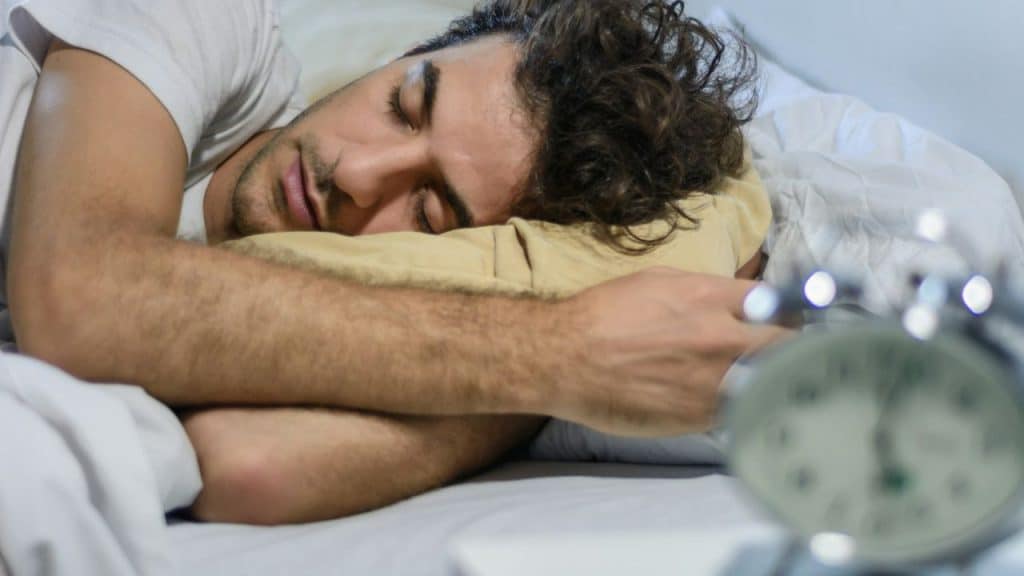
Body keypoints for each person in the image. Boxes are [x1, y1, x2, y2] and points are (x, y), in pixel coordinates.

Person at [1, 0, 786, 525]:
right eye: (403, 106)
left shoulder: (332, 331)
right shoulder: (205, 17)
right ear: (404, 56)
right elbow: (80, 290)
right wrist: (563, 352)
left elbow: (250, 466)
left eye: (430, 208)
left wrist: (551, 384)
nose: (357, 174)